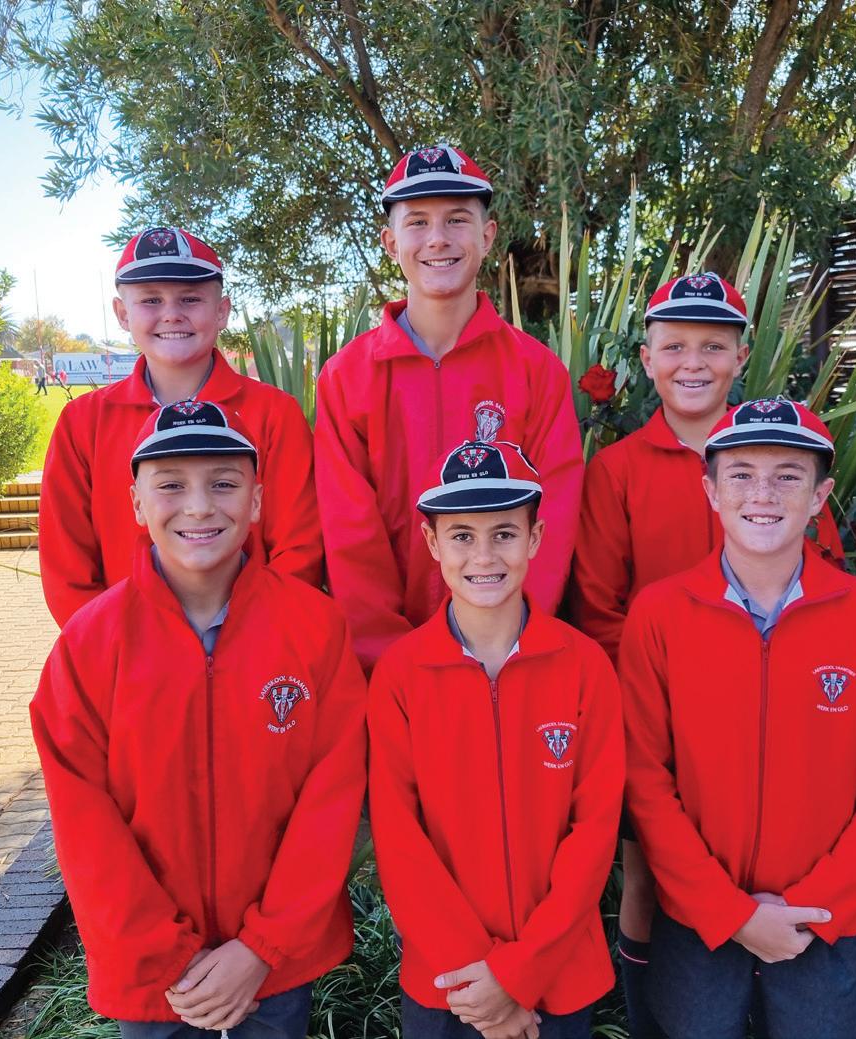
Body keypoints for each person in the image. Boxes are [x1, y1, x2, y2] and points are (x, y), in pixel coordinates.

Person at [30, 400, 367, 1038]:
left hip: (272, 968)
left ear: (257, 500)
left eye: (223, 483)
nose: (199, 506)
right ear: (136, 504)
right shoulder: (90, 644)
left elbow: (332, 798)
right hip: (157, 976)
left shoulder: (314, 629)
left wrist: (262, 947)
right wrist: (169, 956)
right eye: (171, 485)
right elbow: (84, 820)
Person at [620, 398, 856, 1039]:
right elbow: (643, 779)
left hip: (821, 926)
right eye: (741, 474)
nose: (762, 493)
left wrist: (813, 905)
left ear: (819, 496)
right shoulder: (660, 615)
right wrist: (728, 911)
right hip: (698, 923)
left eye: (787, 475)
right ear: (710, 491)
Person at [368, 436, 623, 1039]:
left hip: (558, 975)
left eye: (504, 533)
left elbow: (593, 833)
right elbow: (400, 838)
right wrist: (478, 977)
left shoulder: (584, 667)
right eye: (462, 535)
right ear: (433, 543)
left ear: (535, 538)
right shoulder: (401, 674)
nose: (483, 555)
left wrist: (519, 971)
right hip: (448, 982)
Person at [316, 145, 583, 670]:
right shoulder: (346, 377)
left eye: (457, 219)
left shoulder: (536, 370)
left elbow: (552, 518)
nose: (437, 238)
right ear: (391, 243)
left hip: (509, 657)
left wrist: (508, 641)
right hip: (390, 668)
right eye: (418, 222)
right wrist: (391, 658)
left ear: (487, 236)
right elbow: (349, 533)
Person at [40, 226, 322, 627]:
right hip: (124, 647)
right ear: (122, 313)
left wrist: (255, 638)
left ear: (221, 311)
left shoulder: (275, 414)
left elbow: (299, 548)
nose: (171, 314)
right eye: (151, 300)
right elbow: (66, 564)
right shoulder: (83, 422)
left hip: (257, 640)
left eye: (190, 298)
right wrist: (109, 644)